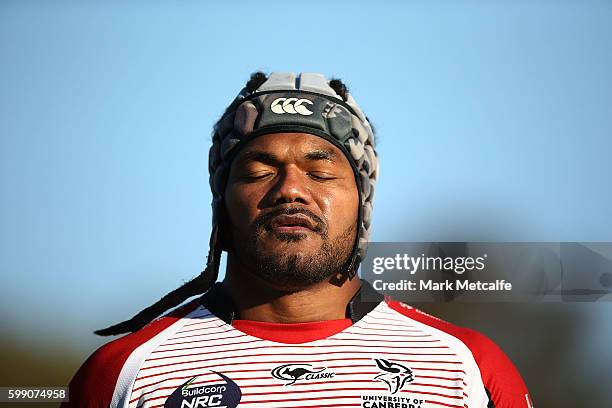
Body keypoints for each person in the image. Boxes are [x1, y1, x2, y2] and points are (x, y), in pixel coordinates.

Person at [64, 72, 533, 408]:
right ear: (221, 201)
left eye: (320, 171)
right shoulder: (123, 371)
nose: (290, 188)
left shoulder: (467, 369)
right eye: (259, 171)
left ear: (361, 201)